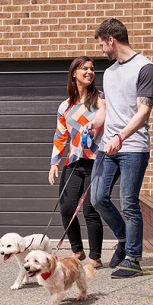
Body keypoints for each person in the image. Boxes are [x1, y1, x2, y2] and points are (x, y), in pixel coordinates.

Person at [86, 18, 153, 279]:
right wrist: (94, 125)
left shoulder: (145, 68)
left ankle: (134, 259)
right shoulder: (110, 72)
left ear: (111, 40)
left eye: (102, 44)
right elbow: (108, 110)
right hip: (108, 146)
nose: (102, 50)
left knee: (128, 202)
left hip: (134, 147)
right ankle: (124, 240)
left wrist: (120, 136)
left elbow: (143, 112)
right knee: (97, 198)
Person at [49, 56, 105, 268]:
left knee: (90, 209)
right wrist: (54, 163)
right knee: (66, 207)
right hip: (73, 162)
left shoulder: (101, 99)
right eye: (84, 68)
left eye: (92, 68)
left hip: (97, 161)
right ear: (74, 73)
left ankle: (95, 257)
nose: (89, 72)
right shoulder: (65, 106)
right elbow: (60, 135)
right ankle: (77, 251)